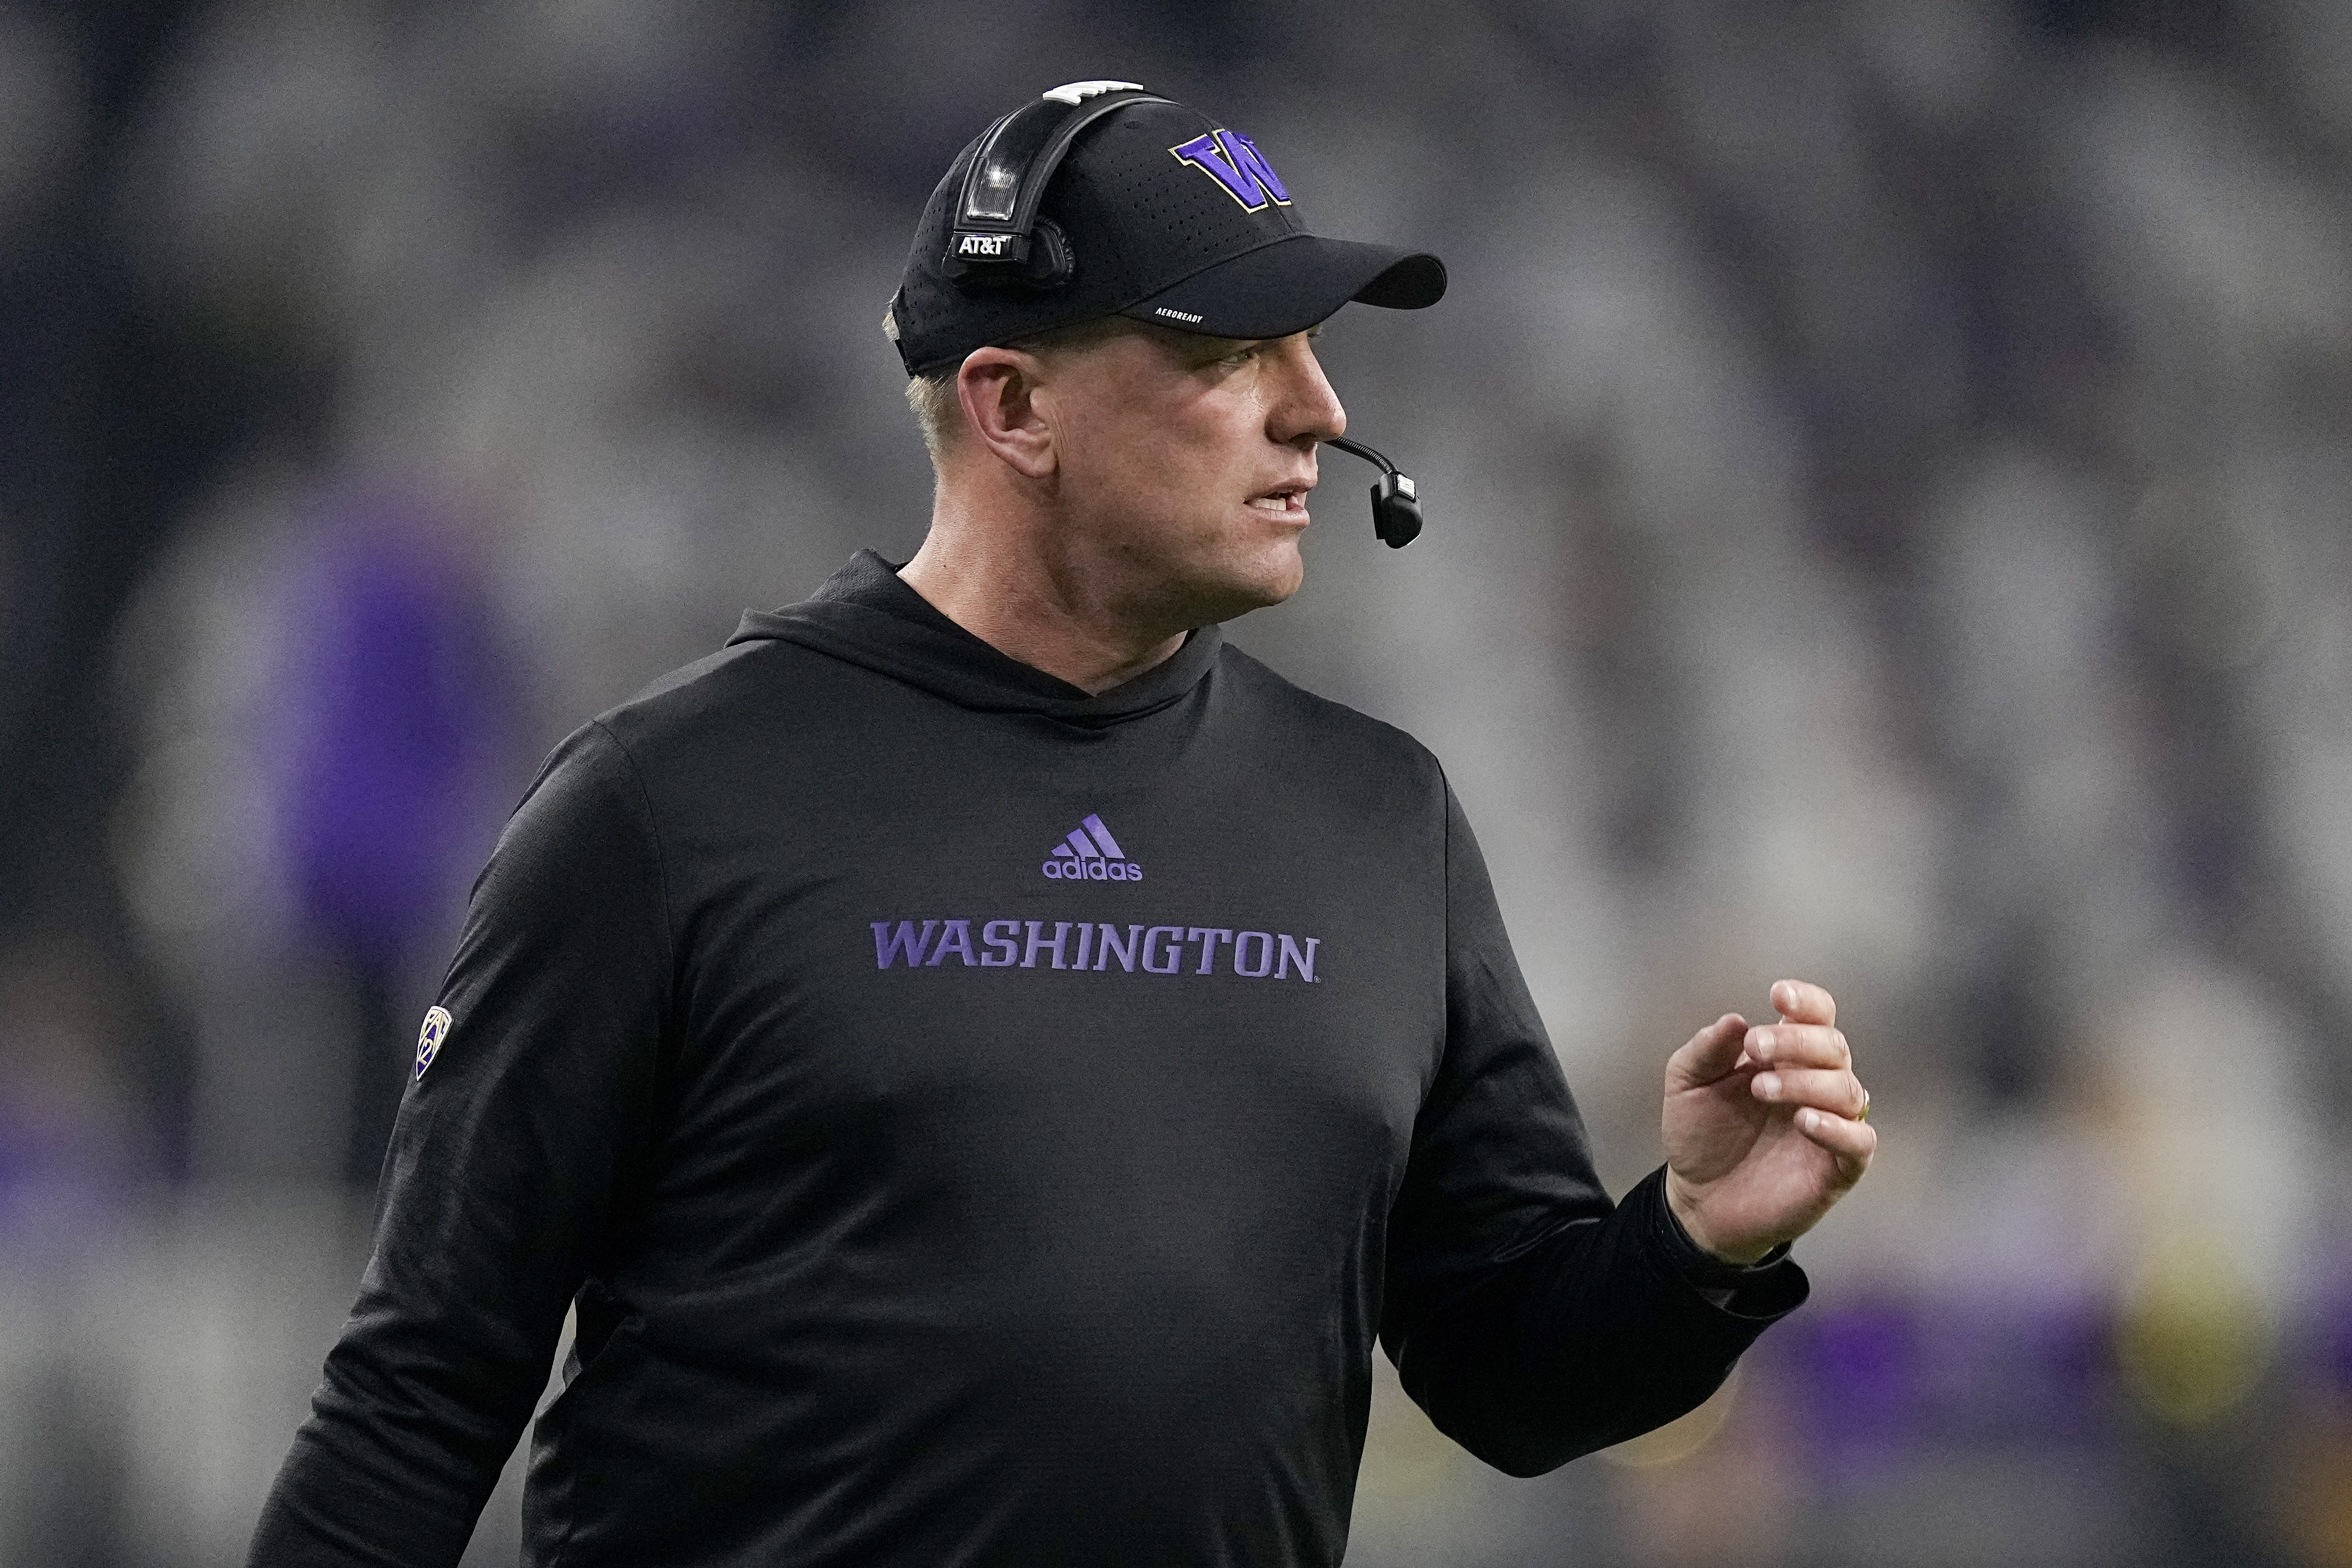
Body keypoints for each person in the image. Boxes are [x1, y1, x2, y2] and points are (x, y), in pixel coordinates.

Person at [247, 84, 1873, 1568]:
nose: (1316, 407)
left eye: (1307, 347)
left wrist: (1688, 1240)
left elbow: (1513, 1378)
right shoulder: (659, 812)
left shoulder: (1384, 820)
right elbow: (414, 1405)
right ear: (1013, 403)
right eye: (1231, 355)